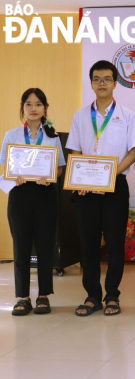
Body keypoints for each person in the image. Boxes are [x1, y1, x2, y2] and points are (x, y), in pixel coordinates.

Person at [67, 60, 135, 316]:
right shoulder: (80, 115)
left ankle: (112, 295)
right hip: (85, 187)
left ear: (115, 82)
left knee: (115, 242)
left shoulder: (127, 115)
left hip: (115, 186)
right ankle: (92, 295)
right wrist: (81, 179)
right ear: (91, 83)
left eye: (106, 79)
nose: (101, 83)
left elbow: (132, 152)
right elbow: (75, 150)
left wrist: (110, 176)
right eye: (96, 79)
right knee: (87, 243)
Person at [2, 88, 66, 316]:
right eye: (28, 104)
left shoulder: (52, 136)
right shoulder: (11, 136)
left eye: (38, 104)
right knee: (20, 247)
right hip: (20, 195)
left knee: (45, 245)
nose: (33, 108)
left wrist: (50, 177)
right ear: (22, 108)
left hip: (45, 194)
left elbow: (59, 168)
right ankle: (22, 297)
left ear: (45, 108)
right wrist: (13, 174)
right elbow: (6, 166)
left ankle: (43, 295)